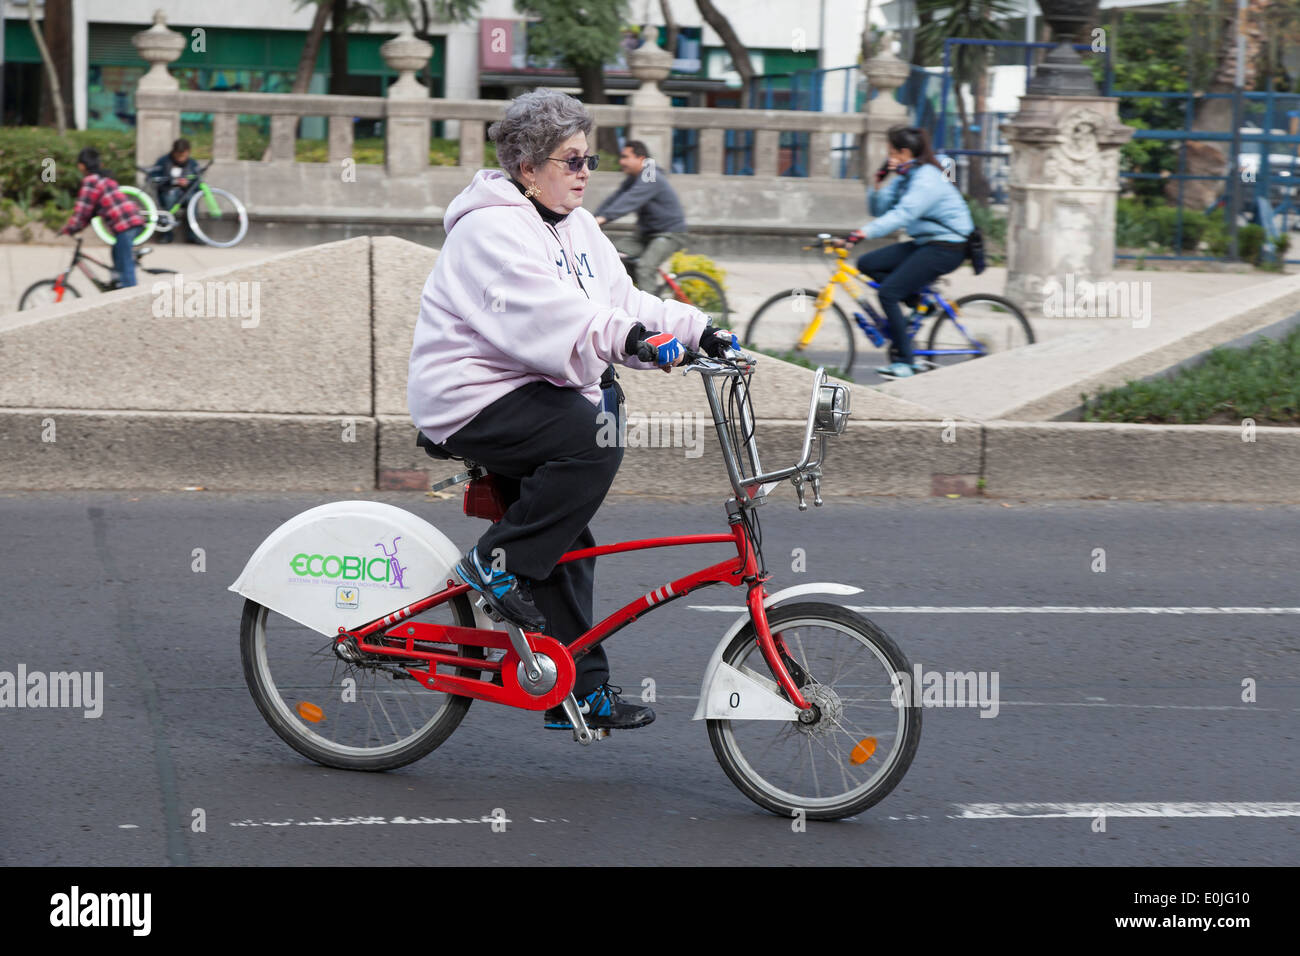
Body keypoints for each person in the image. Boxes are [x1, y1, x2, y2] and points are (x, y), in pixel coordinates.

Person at [407, 89, 738, 732]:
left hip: (530, 388)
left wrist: (701, 331)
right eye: (573, 159)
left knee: (567, 543)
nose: (587, 172)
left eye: (591, 159)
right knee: (594, 437)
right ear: (528, 168)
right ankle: (493, 565)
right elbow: (544, 316)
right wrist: (625, 339)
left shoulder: (578, 226)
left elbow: (625, 299)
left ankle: (577, 690)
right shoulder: (489, 228)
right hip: (470, 395)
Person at [838, 125, 974, 378]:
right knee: (868, 264)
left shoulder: (927, 178)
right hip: (926, 242)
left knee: (889, 293)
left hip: (948, 246)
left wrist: (860, 234)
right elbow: (879, 210)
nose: (888, 156)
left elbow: (903, 214)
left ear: (904, 152)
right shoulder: (905, 175)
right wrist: (878, 183)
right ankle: (921, 303)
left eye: (891, 151)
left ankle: (907, 362)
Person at [593, 140, 689, 291]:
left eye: (625, 157)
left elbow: (630, 200)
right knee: (611, 253)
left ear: (641, 158)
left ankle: (652, 312)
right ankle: (641, 291)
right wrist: (591, 219)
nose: (621, 161)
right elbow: (616, 198)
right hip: (645, 235)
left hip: (670, 233)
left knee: (645, 268)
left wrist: (601, 219)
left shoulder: (650, 176)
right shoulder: (634, 178)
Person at [59, 147, 145, 289]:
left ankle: (131, 295)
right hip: (133, 221)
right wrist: (79, 225)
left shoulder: (90, 181)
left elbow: (82, 210)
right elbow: (90, 212)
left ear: (81, 165)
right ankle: (117, 287)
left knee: (125, 266)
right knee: (117, 253)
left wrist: (70, 228)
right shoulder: (105, 179)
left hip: (126, 224)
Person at [146, 137, 201, 243]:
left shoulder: (193, 164)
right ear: (174, 152)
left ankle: (193, 235)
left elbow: (198, 182)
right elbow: (153, 178)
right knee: (169, 199)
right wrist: (172, 182)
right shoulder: (163, 161)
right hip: (168, 193)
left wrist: (188, 183)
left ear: (188, 153)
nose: (180, 158)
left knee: (192, 201)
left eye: (183, 156)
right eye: (178, 155)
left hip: (186, 194)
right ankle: (167, 235)